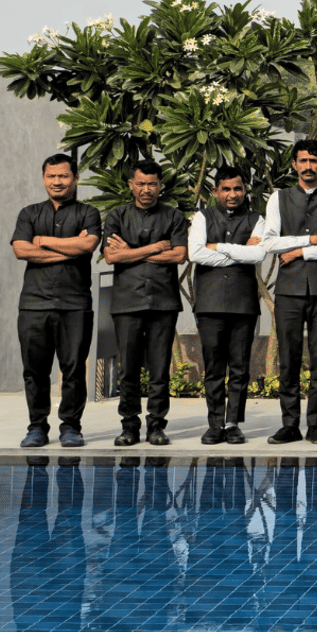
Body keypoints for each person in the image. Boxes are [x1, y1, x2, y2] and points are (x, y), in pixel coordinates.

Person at [259, 139, 317, 444]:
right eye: (303, 161)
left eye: (314, 161)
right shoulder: (278, 198)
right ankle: (289, 424)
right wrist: (312, 241)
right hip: (289, 291)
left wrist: (298, 252)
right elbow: (269, 242)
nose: (308, 166)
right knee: (289, 359)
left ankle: (315, 425)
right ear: (294, 164)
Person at [12, 153, 101, 448]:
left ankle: (71, 427)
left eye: (63, 176)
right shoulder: (29, 213)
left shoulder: (88, 213)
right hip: (33, 304)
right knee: (34, 370)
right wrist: (69, 248)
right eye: (51, 176)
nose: (57, 181)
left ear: (75, 178)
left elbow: (88, 244)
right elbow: (22, 250)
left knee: (73, 369)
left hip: (74, 304)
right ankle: (37, 427)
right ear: (43, 179)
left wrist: (43, 240)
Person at [102, 160, 188, 446]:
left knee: (159, 368)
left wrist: (133, 252)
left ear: (160, 186)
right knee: (128, 369)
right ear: (131, 185)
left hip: (163, 303)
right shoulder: (116, 217)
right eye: (141, 183)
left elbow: (178, 256)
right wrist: (155, 247)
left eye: (152, 184)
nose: (146, 189)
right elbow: (113, 256)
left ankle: (156, 426)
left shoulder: (173, 216)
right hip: (127, 303)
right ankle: (129, 426)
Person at [189, 167, 266, 445]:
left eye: (238, 189)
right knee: (213, 367)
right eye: (226, 189)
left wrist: (217, 247)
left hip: (243, 303)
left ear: (245, 190)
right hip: (209, 304)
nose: (232, 195)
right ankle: (214, 425)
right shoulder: (202, 216)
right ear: (215, 191)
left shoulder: (257, 219)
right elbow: (195, 253)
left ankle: (233, 423)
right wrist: (238, 249)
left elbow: (257, 254)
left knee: (240, 367)